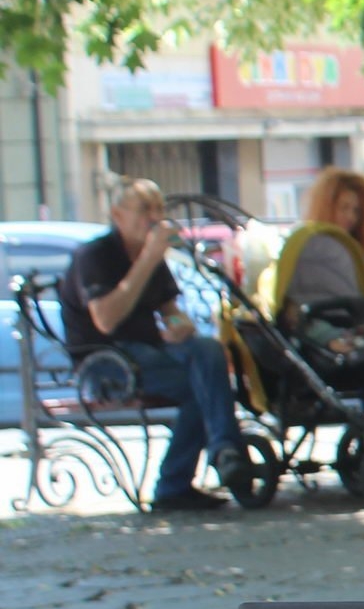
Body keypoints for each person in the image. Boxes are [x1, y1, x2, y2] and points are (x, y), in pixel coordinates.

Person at [57, 179, 249, 512]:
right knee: (202, 385)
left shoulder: (153, 257)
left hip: (150, 353)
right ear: (118, 215)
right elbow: (106, 320)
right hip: (105, 362)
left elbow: (170, 311)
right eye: (145, 209)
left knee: (207, 350)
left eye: (159, 208)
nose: (155, 217)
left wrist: (179, 326)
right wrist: (147, 259)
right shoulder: (95, 255)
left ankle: (222, 453)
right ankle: (182, 480)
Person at [286, 169, 364, 356]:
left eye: (356, 211)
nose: (351, 217)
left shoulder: (359, 252)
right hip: (319, 333)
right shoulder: (307, 247)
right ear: (327, 206)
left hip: (351, 330)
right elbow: (294, 308)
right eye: (344, 208)